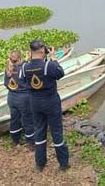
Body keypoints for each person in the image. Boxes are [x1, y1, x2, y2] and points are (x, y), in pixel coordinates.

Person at [21, 40, 70, 173]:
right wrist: (53, 58)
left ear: (30, 51)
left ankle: (39, 164)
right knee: (56, 132)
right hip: (51, 102)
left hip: (35, 103)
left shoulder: (24, 67)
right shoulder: (49, 65)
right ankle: (63, 164)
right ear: (43, 50)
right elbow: (60, 73)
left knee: (39, 132)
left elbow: (22, 80)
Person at [4, 50, 35, 150]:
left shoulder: (8, 68)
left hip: (11, 97)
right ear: (20, 57)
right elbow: (31, 81)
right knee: (27, 120)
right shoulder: (23, 67)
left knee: (14, 119)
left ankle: (15, 141)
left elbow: (5, 84)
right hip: (23, 98)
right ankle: (31, 143)